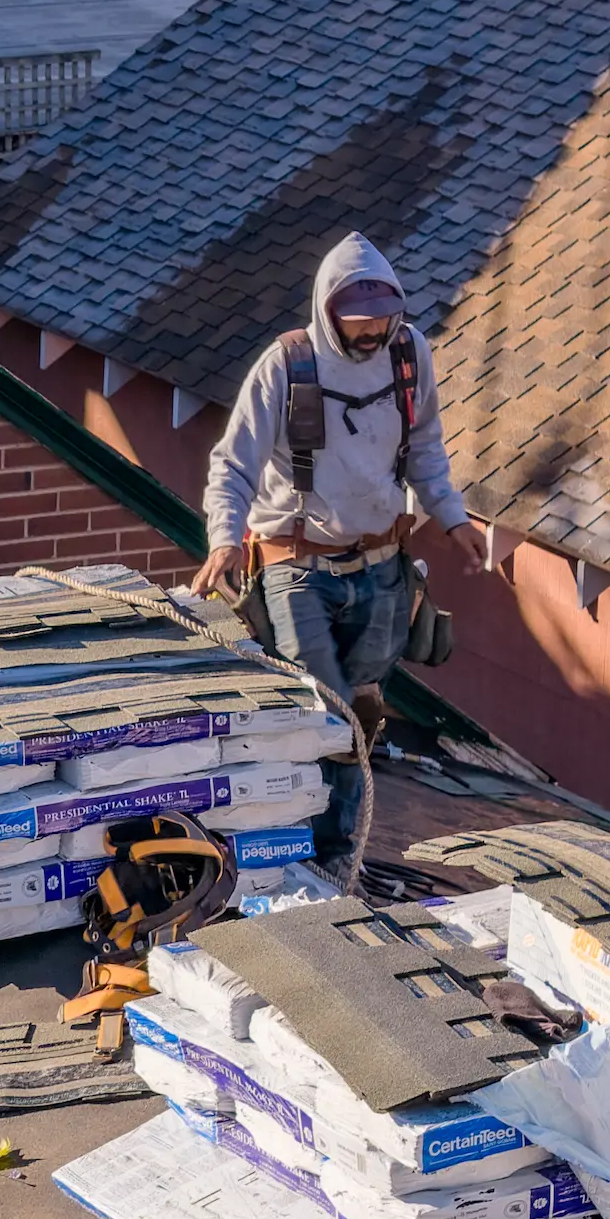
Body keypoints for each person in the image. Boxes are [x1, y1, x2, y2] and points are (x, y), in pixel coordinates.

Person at [193, 234, 488, 847]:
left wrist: (454, 519)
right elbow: (233, 465)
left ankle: (339, 847)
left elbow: (427, 449)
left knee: (359, 714)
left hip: (382, 567)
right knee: (322, 711)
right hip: (299, 567)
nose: (375, 331)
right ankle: (313, 848)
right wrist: (224, 540)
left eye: (384, 318)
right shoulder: (287, 367)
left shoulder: (409, 356)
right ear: (329, 315)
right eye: (361, 322)